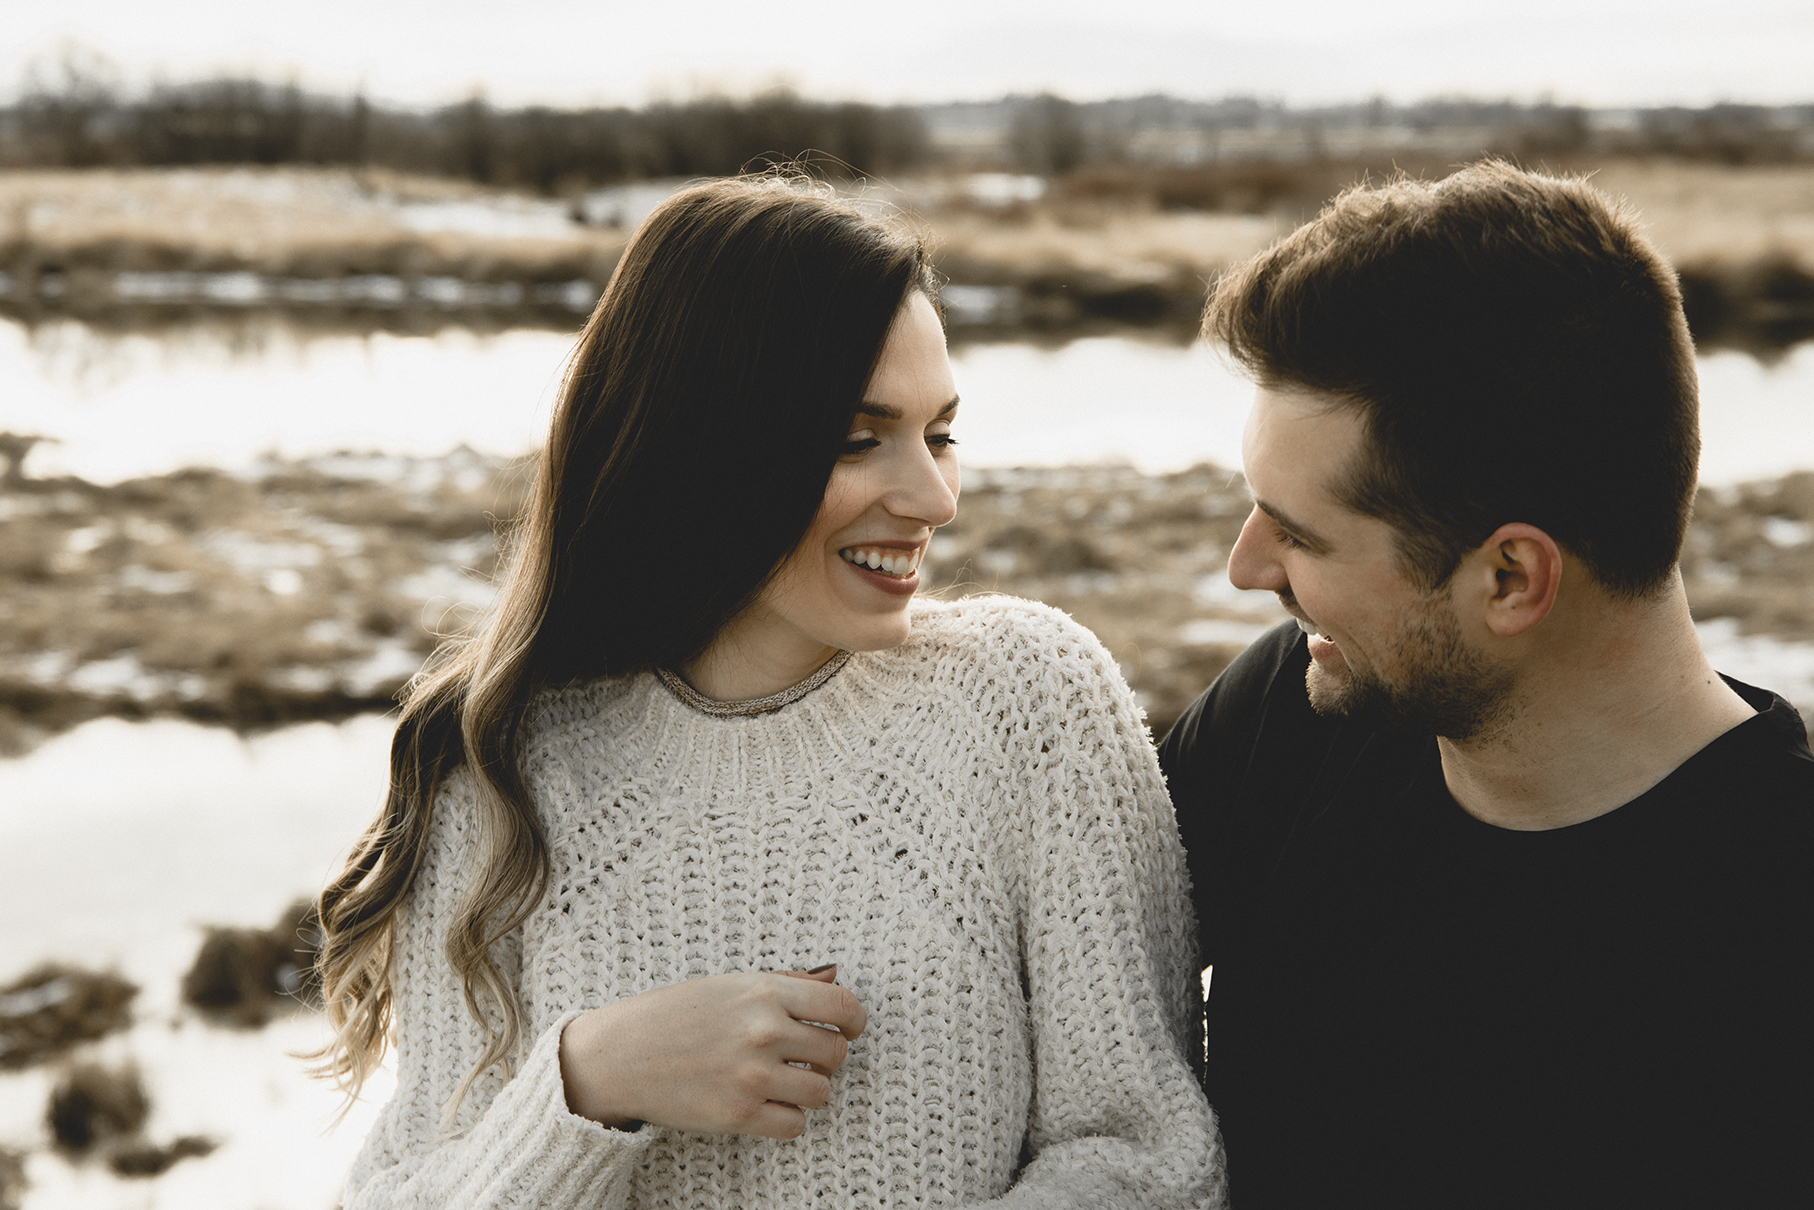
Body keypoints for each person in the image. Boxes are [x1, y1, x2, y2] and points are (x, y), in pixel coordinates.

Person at [312, 175, 1223, 1210]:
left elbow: (1148, 1156)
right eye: (856, 437)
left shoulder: (1027, 699)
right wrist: (590, 1079)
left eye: (940, 433)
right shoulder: (499, 769)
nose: (933, 497)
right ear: (703, 448)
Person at [1159, 160, 1811, 1208]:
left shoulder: (1774, 948)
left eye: (1296, 533)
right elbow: (1017, 940)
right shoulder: (1291, 713)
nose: (1246, 568)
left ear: (1509, 577)